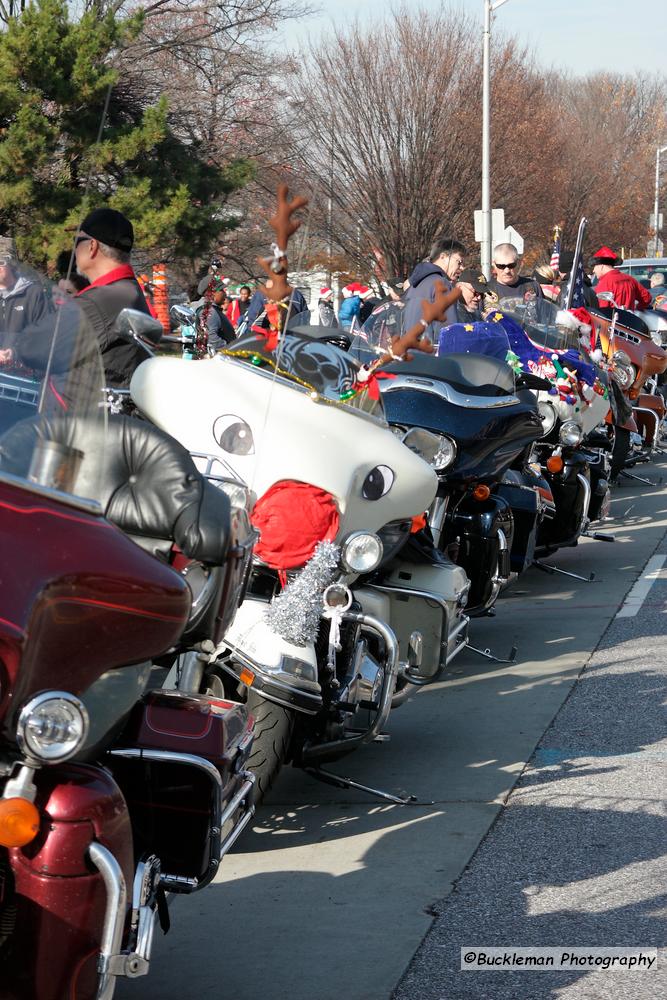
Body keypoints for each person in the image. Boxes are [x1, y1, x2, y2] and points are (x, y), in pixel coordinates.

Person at [71, 208, 154, 387]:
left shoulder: (98, 300)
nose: (74, 249)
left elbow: (44, 348)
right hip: (111, 406)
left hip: (89, 411)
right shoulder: (128, 290)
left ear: (92, 247)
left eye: (76, 241)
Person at [0, 237, 52, 358]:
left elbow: (43, 335)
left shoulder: (33, 293)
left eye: (1, 262)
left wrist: (14, 352)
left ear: (12, 263)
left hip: (21, 372)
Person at [403, 237, 465, 336]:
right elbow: (449, 332)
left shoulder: (416, 284)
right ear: (443, 257)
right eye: (459, 262)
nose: (462, 268)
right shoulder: (441, 284)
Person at [590, 246, 652, 311]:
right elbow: (647, 298)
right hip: (630, 319)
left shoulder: (604, 283)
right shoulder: (630, 279)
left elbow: (601, 311)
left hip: (612, 320)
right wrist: (637, 309)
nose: (593, 270)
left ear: (601, 266)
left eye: (594, 267)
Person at [197, 277, 236, 350]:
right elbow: (212, 338)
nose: (224, 293)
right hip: (220, 358)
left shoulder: (213, 310)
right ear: (212, 293)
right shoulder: (209, 311)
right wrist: (230, 349)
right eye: (221, 290)